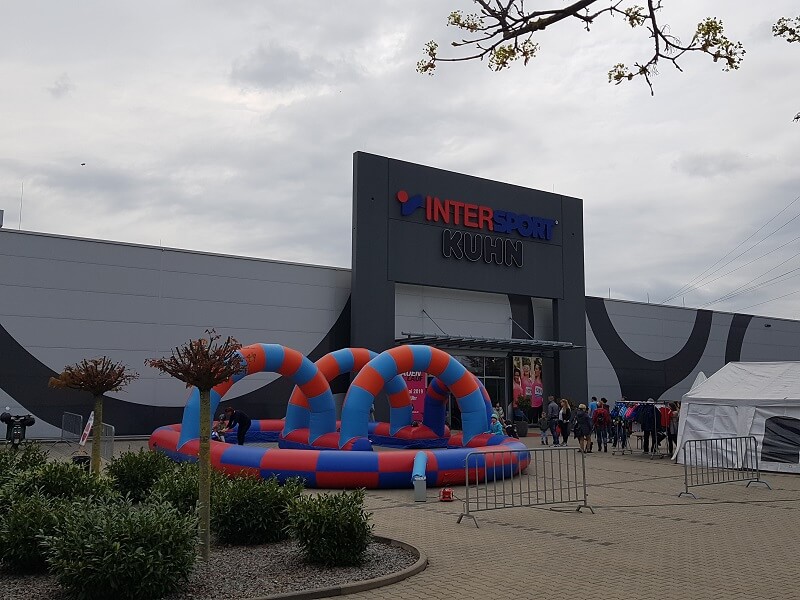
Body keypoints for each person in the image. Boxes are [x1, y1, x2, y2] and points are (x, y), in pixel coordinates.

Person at [530, 359, 544, 423]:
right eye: (535, 369)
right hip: (533, 404)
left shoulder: (542, 381)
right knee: (534, 419)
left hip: (541, 403)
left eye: (536, 369)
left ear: (540, 371)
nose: (535, 370)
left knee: (541, 419)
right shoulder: (533, 378)